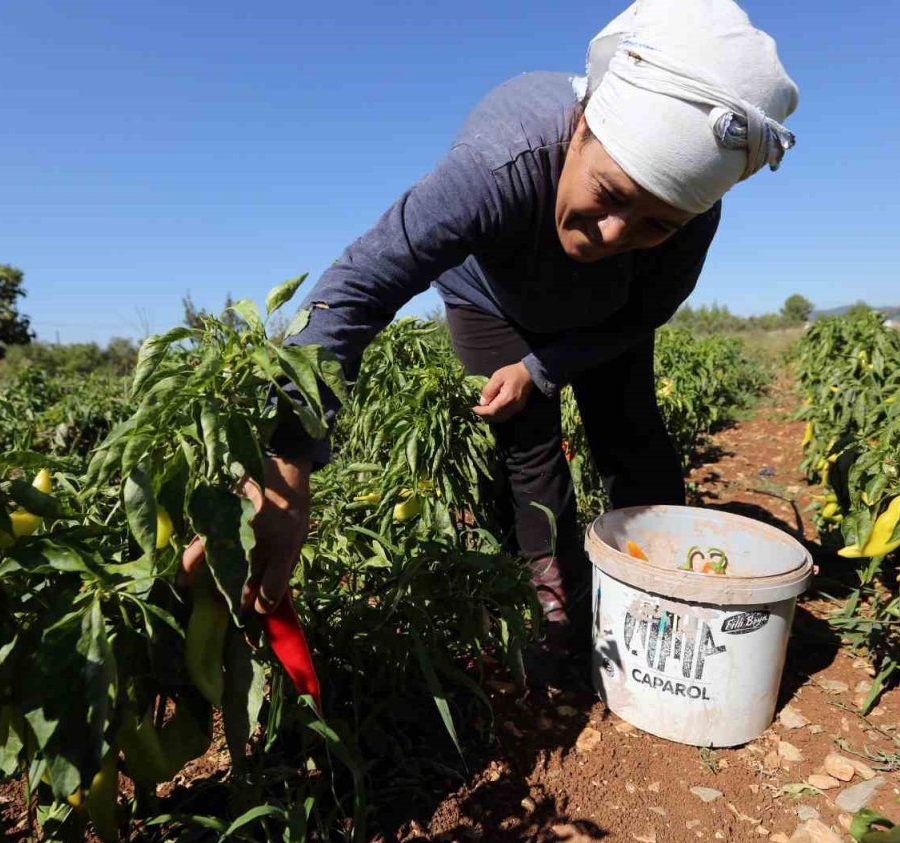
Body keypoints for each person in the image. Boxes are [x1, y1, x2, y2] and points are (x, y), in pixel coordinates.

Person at [208, 0, 799, 678]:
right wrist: (287, 466)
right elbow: (358, 288)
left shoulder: (692, 220)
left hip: (605, 320)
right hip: (492, 304)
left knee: (632, 434)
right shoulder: (499, 162)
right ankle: (558, 614)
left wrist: (544, 366)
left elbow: (640, 316)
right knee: (530, 455)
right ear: (579, 130)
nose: (613, 234)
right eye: (609, 193)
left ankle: (668, 600)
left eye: (652, 224)